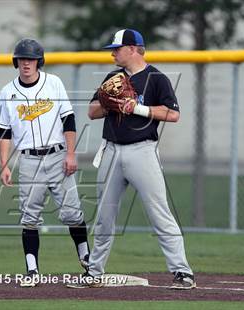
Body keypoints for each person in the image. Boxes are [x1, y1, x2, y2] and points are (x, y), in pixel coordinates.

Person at [76, 29, 195, 289]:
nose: (112, 53)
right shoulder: (112, 77)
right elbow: (91, 111)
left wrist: (136, 107)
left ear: (132, 48)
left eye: (116, 49)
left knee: (159, 213)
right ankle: (94, 272)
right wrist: (111, 103)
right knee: (105, 216)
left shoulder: (156, 78)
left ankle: (182, 272)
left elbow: (173, 115)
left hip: (143, 151)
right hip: (111, 150)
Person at [0, 38, 90, 287]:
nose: (27, 63)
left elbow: (68, 120)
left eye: (31, 59)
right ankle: (32, 270)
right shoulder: (7, 91)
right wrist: (4, 165)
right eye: (22, 58)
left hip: (58, 156)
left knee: (72, 212)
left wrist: (71, 153)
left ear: (39, 61)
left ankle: (86, 258)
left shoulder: (53, 83)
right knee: (29, 218)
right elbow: (4, 132)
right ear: (16, 62)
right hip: (28, 160)